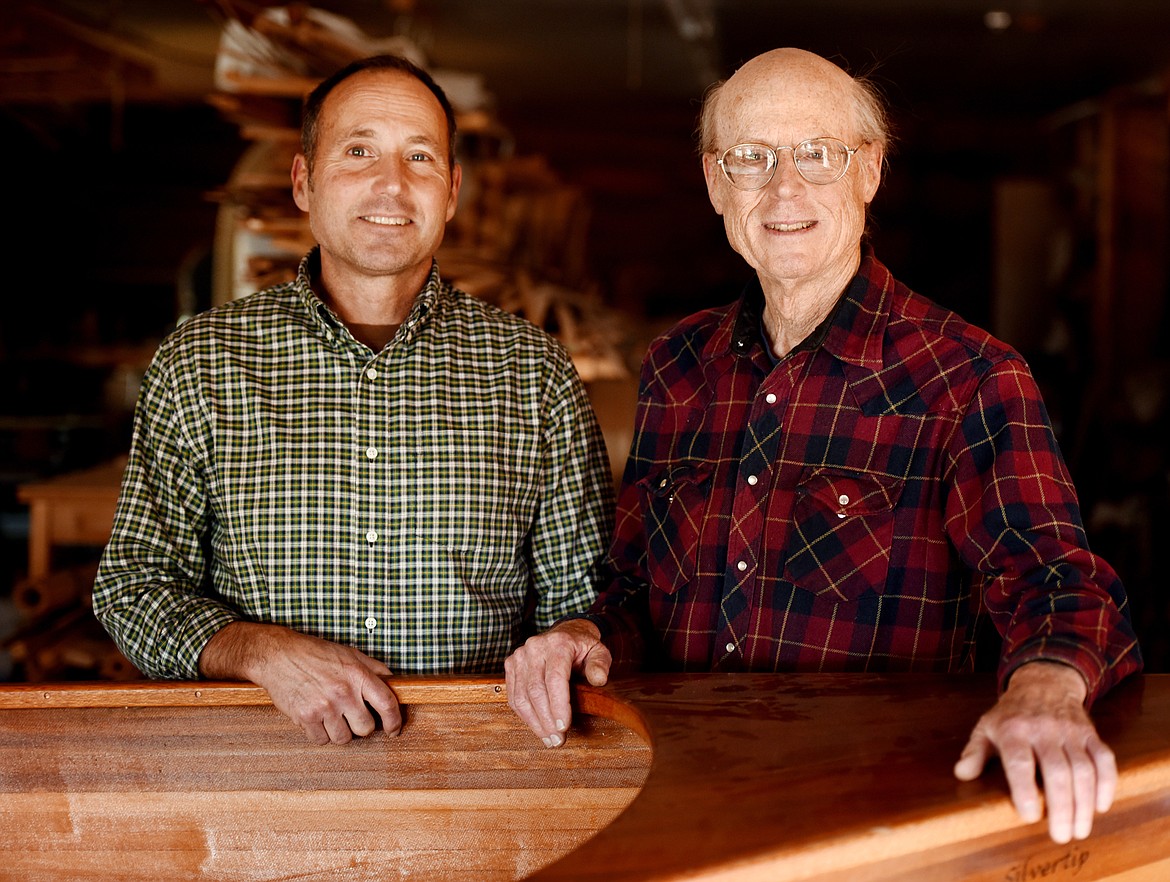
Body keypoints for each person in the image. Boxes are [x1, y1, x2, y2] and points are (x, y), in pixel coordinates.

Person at [504, 48, 1142, 846]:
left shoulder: (970, 378)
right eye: (752, 158)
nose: (784, 189)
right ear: (713, 183)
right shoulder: (677, 366)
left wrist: (1046, 688)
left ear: (868, 171)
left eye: (817, 154)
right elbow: (633, 588)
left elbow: (1059, 585)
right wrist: (582, 634)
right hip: (682, 808)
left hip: (872, 825)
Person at [94, 54, 614, 747]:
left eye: (420, 157)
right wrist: (261, 652)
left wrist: (575, 639)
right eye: (359, 150)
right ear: (304, 181)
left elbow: (588, 600)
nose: (391, 184)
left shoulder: (533, 373)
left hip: (479, 781)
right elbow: (133, 588)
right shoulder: (204, 363)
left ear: (451, 191)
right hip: (255, 783)